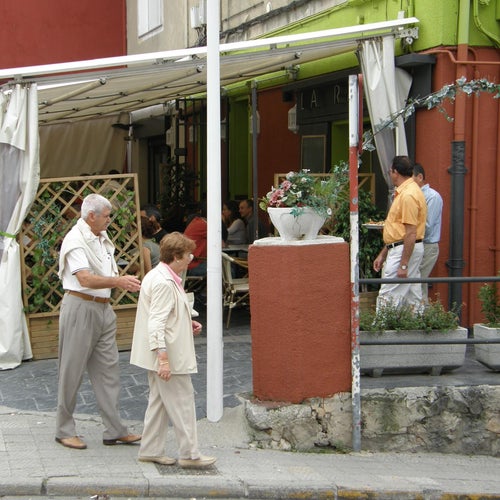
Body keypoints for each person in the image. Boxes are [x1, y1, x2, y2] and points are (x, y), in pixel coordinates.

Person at [56, 193, 142, 450]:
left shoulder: (101, 238)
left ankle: (114, 429)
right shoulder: (75, 239)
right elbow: (84, 278)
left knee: (108, 371)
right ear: (91, 216)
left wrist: (117, 282)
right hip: (80, 307)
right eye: (106, 216)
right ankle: (64, 430)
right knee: (71, 370)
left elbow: (103, 272)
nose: (109, 220)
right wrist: (119, 281)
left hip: (103, 308)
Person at [130, 232, 216, 469]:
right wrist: (164, 360)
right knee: (183, 402)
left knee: (159, 403)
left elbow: (163, 315)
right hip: (169, 355)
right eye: (188, 254)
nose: (191, 258)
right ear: (177, 256)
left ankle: (150, 449)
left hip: (160, 353)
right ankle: (189, 454)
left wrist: (186, 322)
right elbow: (156, 322)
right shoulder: (164, 282)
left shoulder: (158, 276)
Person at [373, 156, 427, 310]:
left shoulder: (408, 195)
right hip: (404, 246)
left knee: (388, 293)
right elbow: (400, 230)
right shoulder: (409, 191)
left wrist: (403, 264)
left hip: (403, 249)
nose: (390, 174)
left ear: (395, 172)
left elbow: (410, 232)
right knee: (412, 294)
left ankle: (383, 323)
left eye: (390, 171)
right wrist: (383, 253)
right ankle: (417, 321)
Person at [413, 163, 443, 303]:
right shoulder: (412, 195)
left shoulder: (432, 197)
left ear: (420, 177)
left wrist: (404, 231)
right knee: (417, 283)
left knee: (416, 282)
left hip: (427, 245)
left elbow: (428, 226)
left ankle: (421, 312)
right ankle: (421, 312)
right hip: (415, 243)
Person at [184, 202, 207, 277]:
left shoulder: (197, 222)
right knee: (229, 270)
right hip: (194, 265)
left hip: (187, 264)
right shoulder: (204, 225)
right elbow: (221, 244)